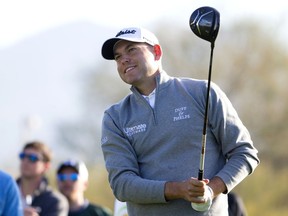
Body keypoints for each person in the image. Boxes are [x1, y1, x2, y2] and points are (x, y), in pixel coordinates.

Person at [100, 26, 260, 216]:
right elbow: (122, 184)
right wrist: (178, 190)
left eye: (131, 50)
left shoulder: (203, 92)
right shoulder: (115, 117)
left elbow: (244, 153)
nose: (123, 59)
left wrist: (211, 189)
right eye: (117, 57)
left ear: (157, 52)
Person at [16, 141, 69, 216]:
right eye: (23, 156)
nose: (25, 161)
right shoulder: (4, 193)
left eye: (33, 158)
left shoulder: (55, 202)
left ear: (46, 166)